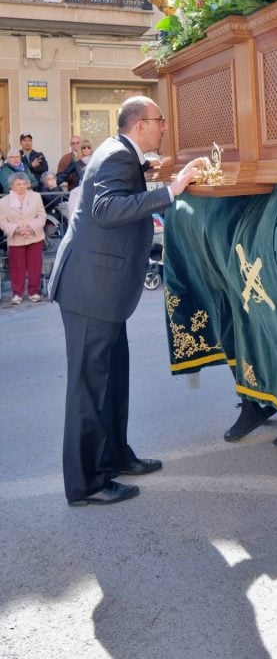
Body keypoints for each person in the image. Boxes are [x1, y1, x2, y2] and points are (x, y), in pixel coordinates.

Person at [48, 95, 204, 507]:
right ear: (139, 126)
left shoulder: (121, 152)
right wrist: (171, 189)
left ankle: (115, 456)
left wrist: (150, 170)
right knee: (88, 390)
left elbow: (117, 185)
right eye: (159, 120)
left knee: (112, 381)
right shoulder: (118, 155)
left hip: (103, 290)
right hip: (91, 290)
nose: (164, 126)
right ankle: (86, 484)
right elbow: (106, 208)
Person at [0, 171, 46, 303]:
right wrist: (17, 229)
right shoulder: (3, 202)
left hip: (34, 236)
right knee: (17, 268)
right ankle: (17, 294)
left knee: (34, 266)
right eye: (18, 184)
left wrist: (30, 228)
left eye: (24, 183)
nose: (21, 186)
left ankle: (34, 292)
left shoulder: (36, 196)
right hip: (15, 238)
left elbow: (42, 215)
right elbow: (2, 221)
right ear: (11, 186)